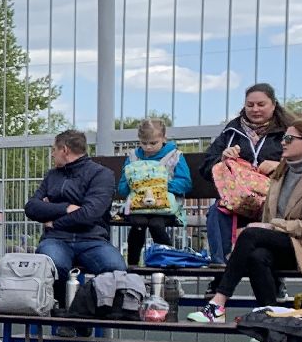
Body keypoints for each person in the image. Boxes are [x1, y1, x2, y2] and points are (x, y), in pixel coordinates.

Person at [189, 120, 302, 322]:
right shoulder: (282, 173)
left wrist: (269, 227)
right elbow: (268, 214)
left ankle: (218, 303)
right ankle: (271, 324)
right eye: (284, 137)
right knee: (257, 255)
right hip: (287, 243)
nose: (283, 142)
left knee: (251, 234)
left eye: (289, 138)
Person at [200, 84, 290, 265]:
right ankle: (220, 271)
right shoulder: (231, 132)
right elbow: (205, 167)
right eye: (250, 105)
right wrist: (222, 159)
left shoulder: (288, 132)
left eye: (261, 104)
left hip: (273, 199)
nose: (255, 109)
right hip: (236, 200)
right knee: (217, 211)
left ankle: (274, 278)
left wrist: (280, 166)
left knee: (275, 214)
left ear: (273, 105)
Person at [26, 129, 127, 277]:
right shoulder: (52, 175)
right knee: (54, 265)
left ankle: (93, 300)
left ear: (64, 150)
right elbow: (31, 207)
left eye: (54, 150)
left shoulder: (101, 174)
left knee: (115, 269)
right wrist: (66, 208)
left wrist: (54, 222)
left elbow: (89, 214)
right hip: (56, 240)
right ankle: (60, 300)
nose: (52, 154)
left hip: (92, 239)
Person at [116, 117, 191, 267]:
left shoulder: (174, 156)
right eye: (144, 143)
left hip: (166, 208)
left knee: (156, 224)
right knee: (138, 223)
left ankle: (167, 263)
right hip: (139, 207)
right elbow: (122, 187)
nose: (148, 147)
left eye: (153, 143)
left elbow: (185, 183)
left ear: (163, 138)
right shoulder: (133, 157)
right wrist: (134, 185)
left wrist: (160, 185)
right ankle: (132, 265)